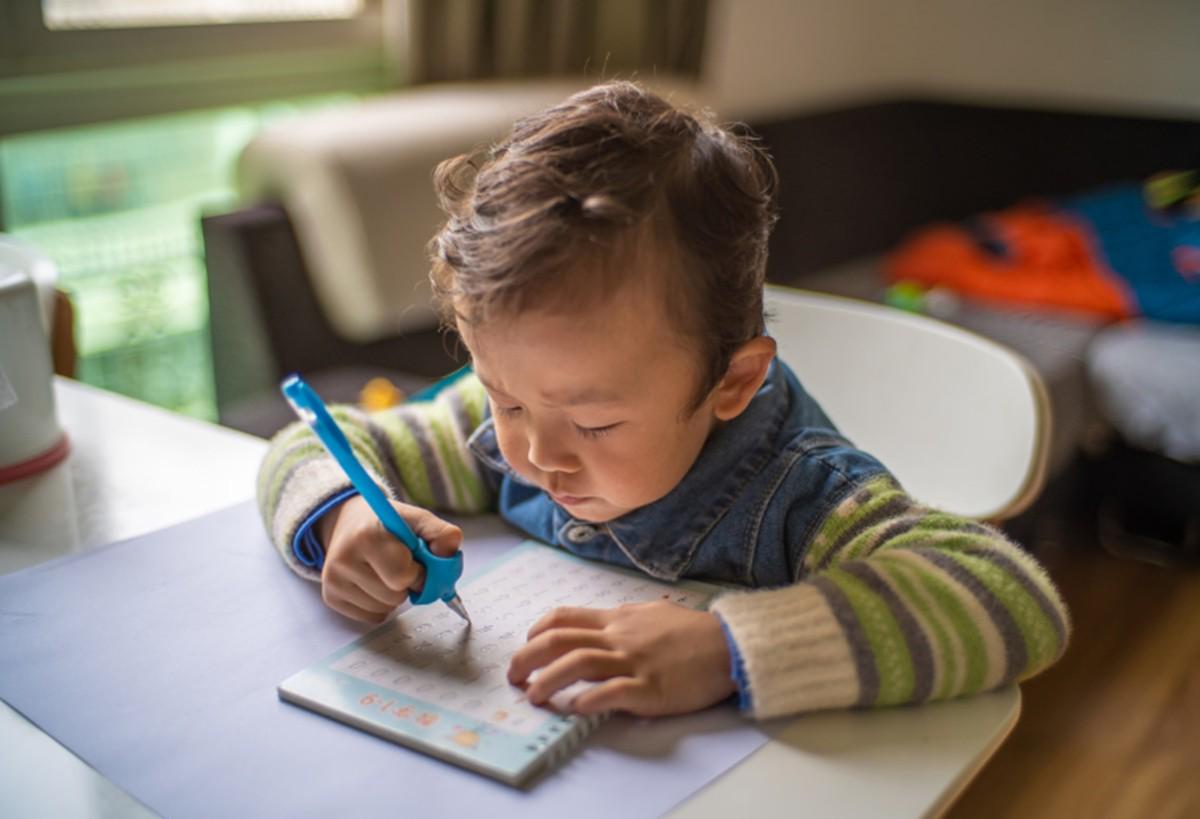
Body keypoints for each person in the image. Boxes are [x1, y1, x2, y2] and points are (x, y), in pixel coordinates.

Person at [257, 80, 1069, 720]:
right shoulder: (501, 425)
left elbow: (1012, 599)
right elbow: (305, 445)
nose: (534, 453)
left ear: (733, 383)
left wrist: (728, 648)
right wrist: (345, 517)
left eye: (594, 421)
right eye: (504, 398)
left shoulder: (801, 495)